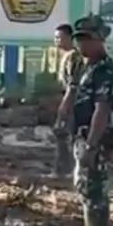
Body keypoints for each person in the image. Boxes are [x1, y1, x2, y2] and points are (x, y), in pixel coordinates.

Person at [67, 14, 113, 226]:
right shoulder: (86, 66)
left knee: (94, 188)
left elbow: (102, 109)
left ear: (100, 39)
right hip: (82, 134)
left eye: (86, 39)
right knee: (85, 186)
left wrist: (91, 145)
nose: (81, 44)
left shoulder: (105, 70)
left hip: (95, 137)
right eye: (78, 39)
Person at [51, 23, 81, 177]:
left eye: (59, 37)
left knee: (63, 132)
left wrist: (65, 104)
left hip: (74, 103)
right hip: (71, 101)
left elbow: (73, 84)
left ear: (69, 38)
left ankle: (65, 169)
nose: (56, 41)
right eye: (55, 38)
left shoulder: (73, 57)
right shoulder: (69, 56)